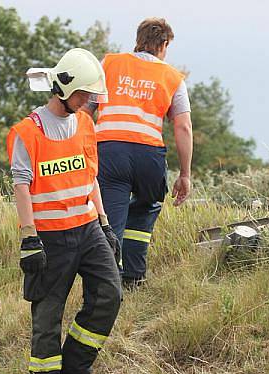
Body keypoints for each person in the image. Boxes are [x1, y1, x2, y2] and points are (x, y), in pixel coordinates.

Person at [6, 48, 122, 374]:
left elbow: (91, 178)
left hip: (88, 229)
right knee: (47, 320)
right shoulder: (27, 132)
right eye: (83, 94)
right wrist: (29, 237)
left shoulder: (86, 123)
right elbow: (21, 185)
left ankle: (76, 364)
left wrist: (104, 223)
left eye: (90, 95)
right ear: (62, 88)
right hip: (50, 239)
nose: (88, 101)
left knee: (109, 294)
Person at [94, 18, 193, 288]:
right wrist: (185, 174)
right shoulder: (173, 77)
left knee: (111, 219)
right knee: (146, 206)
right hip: (148, 155)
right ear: (164, 44)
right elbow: (182, 127)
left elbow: (84, 109)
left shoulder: (109, 64)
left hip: (110, 151)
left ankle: (107, 284)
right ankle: (134, 277)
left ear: (138, 39)